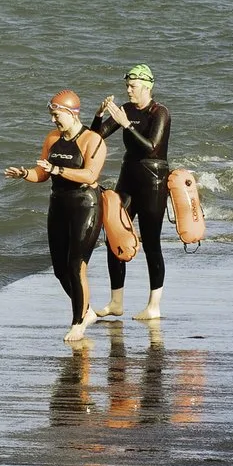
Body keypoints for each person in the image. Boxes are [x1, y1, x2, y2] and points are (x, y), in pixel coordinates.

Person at [8, 89, 107, 341]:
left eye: (57, 115)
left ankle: (78, 323)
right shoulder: (52, 138)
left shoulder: (92, 140)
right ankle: (86, 311)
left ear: (72, 113)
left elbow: (90, 175)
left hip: (86, 205)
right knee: (60, 270)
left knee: (76, 265)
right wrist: (24, 174)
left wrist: (57, 168)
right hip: (59, 205)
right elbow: (42, 173)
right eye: (52, 115)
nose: (53, 120)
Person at [94, 64, 172, 321]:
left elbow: (151, 147)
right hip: (128, 178)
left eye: (133, 86)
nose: (128, 90)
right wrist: (99, 115)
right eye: (127, 85)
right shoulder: (125, 109)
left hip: (153, 181)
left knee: (151, 243)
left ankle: (154, 306)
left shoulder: (159, 113)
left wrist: (127, 125)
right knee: (114, 237)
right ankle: (116, 302)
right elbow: (97, 137)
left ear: (147, 87)